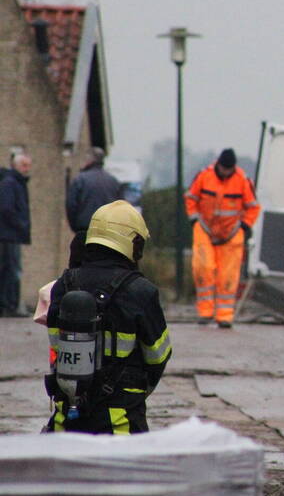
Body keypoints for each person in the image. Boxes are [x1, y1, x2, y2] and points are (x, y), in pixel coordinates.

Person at [44, 200, 172, 434]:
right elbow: (158, 356)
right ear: (131, 242)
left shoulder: (64, 284)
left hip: (67, 423)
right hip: (121, 423)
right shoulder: (141, 291)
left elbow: (56, 348)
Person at [185, 148, 260, 328]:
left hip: (232, 233)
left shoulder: (243, 180)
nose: (226, 172)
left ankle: (224, 316)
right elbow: (190, 198)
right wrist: (194, 218)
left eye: (229, 169)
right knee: (203, 268)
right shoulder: (204, 176)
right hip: (204, 228)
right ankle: (205, 312)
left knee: (228, 275)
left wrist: (245, 225)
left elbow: (253, 207)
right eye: (224, 168)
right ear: (218, 164)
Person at [0, 153, 32, 317]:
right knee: (12, 269)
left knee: (10, 269)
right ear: (16, 165)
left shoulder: (14, 183)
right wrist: (21, 224)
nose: (27, 169)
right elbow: (6, 208)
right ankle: (10, 305)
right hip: (9, 235)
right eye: (24, 165)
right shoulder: (11, 183)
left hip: (9, 234)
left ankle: (9, 304)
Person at [66, 147, 122, 232]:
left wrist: (75, 226)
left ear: (89, 160)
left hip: (85, 229)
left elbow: (71, 205)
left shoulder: (80, 180)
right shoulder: (114, 182)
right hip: (107, 231)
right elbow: (121, 207)